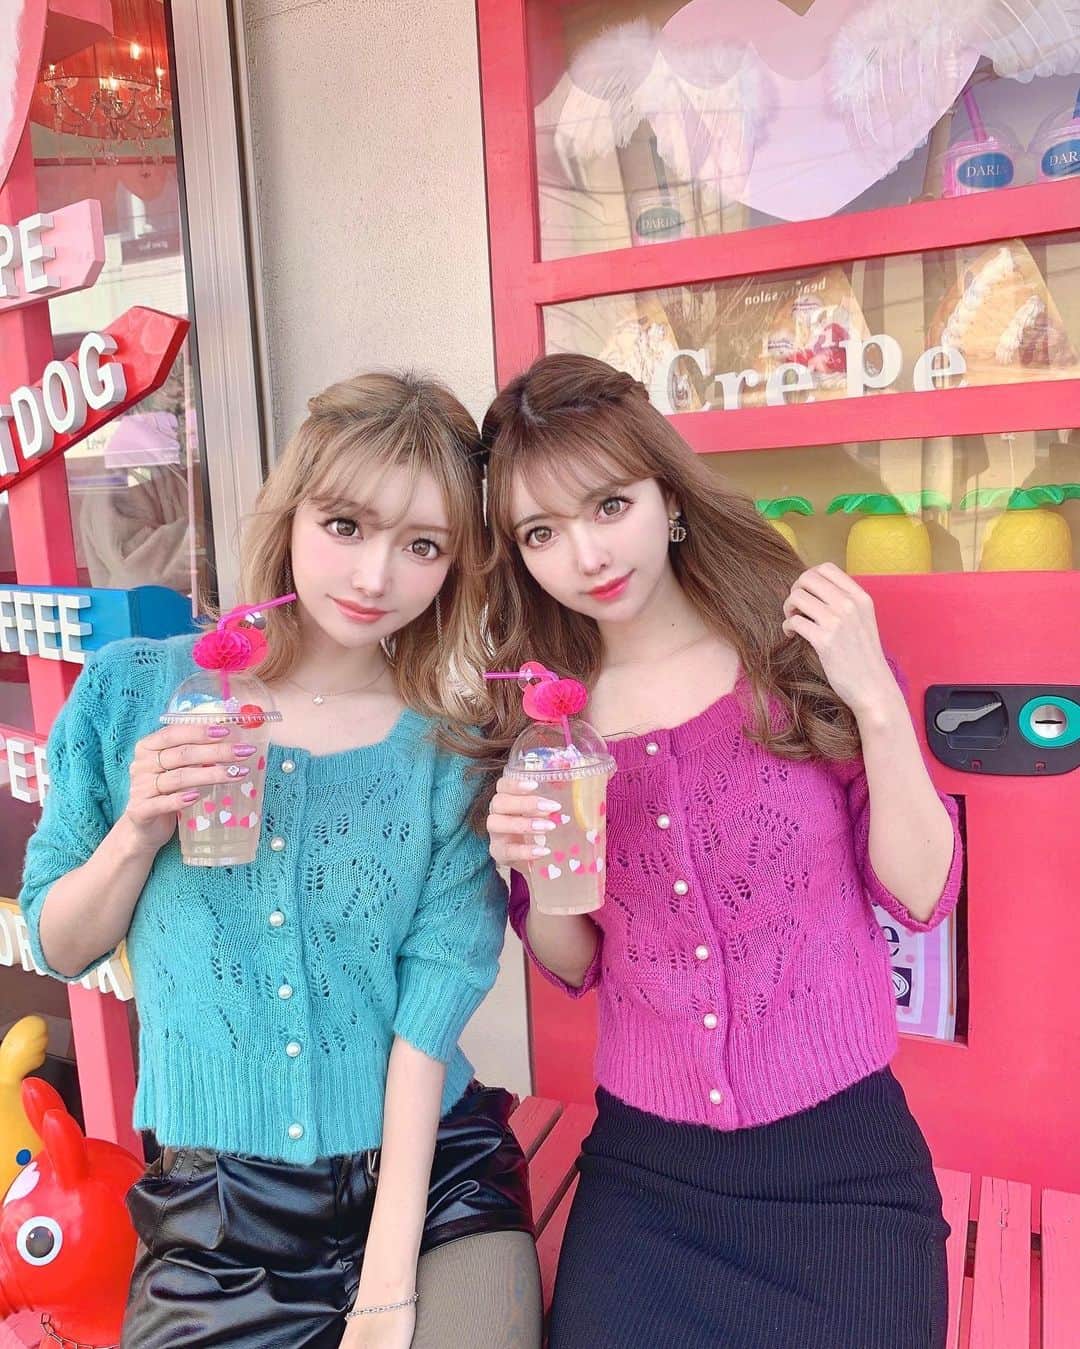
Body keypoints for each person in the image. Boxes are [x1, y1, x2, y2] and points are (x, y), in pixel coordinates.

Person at [20, 372, 542, 1349]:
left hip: (430, 1181)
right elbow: (58, 942)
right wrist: (138, 828)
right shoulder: (133, 691)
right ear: (292, 511)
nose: (376, 575)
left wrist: (385, 1284)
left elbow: (431, 1007)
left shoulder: (449, 749)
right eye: (346, 524)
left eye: (422, 545)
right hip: (218, 1217)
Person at [479, 354, 963, 1349]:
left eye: (609, 505)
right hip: (648, 1180)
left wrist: (875, 698)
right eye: (542, 532)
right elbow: (575, 962)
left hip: (843, 1172)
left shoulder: (791, 656)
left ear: (667, 496)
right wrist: (534, 867)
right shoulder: (545, 719)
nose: (585, 554)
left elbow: (923, 892)